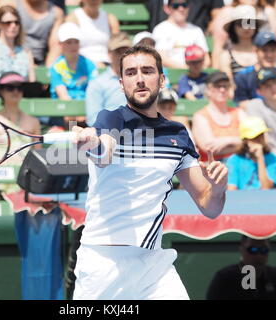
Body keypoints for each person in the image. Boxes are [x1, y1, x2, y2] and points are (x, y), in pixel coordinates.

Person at [71, 45, 228, 300]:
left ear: (162, 79)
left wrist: (218, 186)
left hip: (154, 265)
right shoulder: (110, 120)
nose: (140, 78)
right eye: (131, 73)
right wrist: (91, 142)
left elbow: (209, 207)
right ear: (121, 84)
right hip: (103, 262)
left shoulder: (178, 135)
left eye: (147, 70)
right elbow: (103, 154)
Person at [206, 235, 276, 299]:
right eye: (253, 250)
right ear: (241, 249)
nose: (258, 255)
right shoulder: (225, 279)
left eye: (263, 250)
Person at [0, 72, 42, 168]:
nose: (15, 91)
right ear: (1, 91)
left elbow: (39, 158)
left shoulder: (34, 122)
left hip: (25, 178)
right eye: (10, 87)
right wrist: (4, 162)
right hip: (1, 176)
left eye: (20, 88)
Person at [212, 0, 276, 69]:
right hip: (233, 59)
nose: (246, 28)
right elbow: (218, 47)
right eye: (240, 23)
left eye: (251, 23)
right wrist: (215, 73)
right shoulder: (227, 12)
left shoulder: (268, 11)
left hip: (263, 63)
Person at [0, 0, 65, 67]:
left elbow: (55, 49)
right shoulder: (7, 4)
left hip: (38, 65)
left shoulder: (56, 14)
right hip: (7, 62)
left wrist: (45, 76)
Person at [192, 71, 246, 162]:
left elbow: (251, 140)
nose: (222, 90)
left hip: (241, 164)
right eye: (217, 86)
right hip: (214, 167)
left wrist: (228, 140)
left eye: (225, 86)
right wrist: (239, 143)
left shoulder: (239, 112)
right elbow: (209, 149)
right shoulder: (200, 116)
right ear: (208, 90)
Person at [234, 31, 276, 109]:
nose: (269, 55)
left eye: (273, 50)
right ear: (256, 51)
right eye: (264, 50)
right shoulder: (243, 77)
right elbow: (242, 104)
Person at [0, 5, 35, 87]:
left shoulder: (26, 52)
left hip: (22, 96)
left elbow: (32, 83)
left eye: (16, 22)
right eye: (8, 23)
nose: (13, 26)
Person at [84, 32, 131, 126]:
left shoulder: (139, 79)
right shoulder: (97, 83)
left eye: (126, 52)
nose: (122, 55)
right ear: (109, 54)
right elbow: (93, 119)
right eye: (118, 52)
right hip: (111, 133)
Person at [152, 0, 211, 69]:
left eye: (184, 5)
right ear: (167, 8)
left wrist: (195, 70)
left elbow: (206, 59)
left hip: (196, 75)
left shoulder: (196, 30)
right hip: (171, 75)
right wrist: (187, 69)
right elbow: (162, 58)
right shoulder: (161, 29)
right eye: (176, 6)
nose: (181, 9)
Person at [227, 116, 276, 190]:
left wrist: (260, 158)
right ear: (245, 140)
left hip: (266, 200)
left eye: (261, 135)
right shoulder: (234, 160)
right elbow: (231, 190)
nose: (259, 139)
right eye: (255, 137)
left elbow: (266, 188)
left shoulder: (273, 159)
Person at [65, 0, 120, 68]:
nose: (93, 1)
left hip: (108, 65)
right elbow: (68, 48)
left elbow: (117, 46)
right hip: (81, 66)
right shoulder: (73, 18)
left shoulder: (111, 18)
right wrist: (92, 65)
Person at [218, 5, 263, 80]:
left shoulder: (263, 52)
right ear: (233, 27)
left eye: (249, 22)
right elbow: (228, 84)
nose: (246, 27)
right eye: (240, 23)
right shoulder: (226, 55)